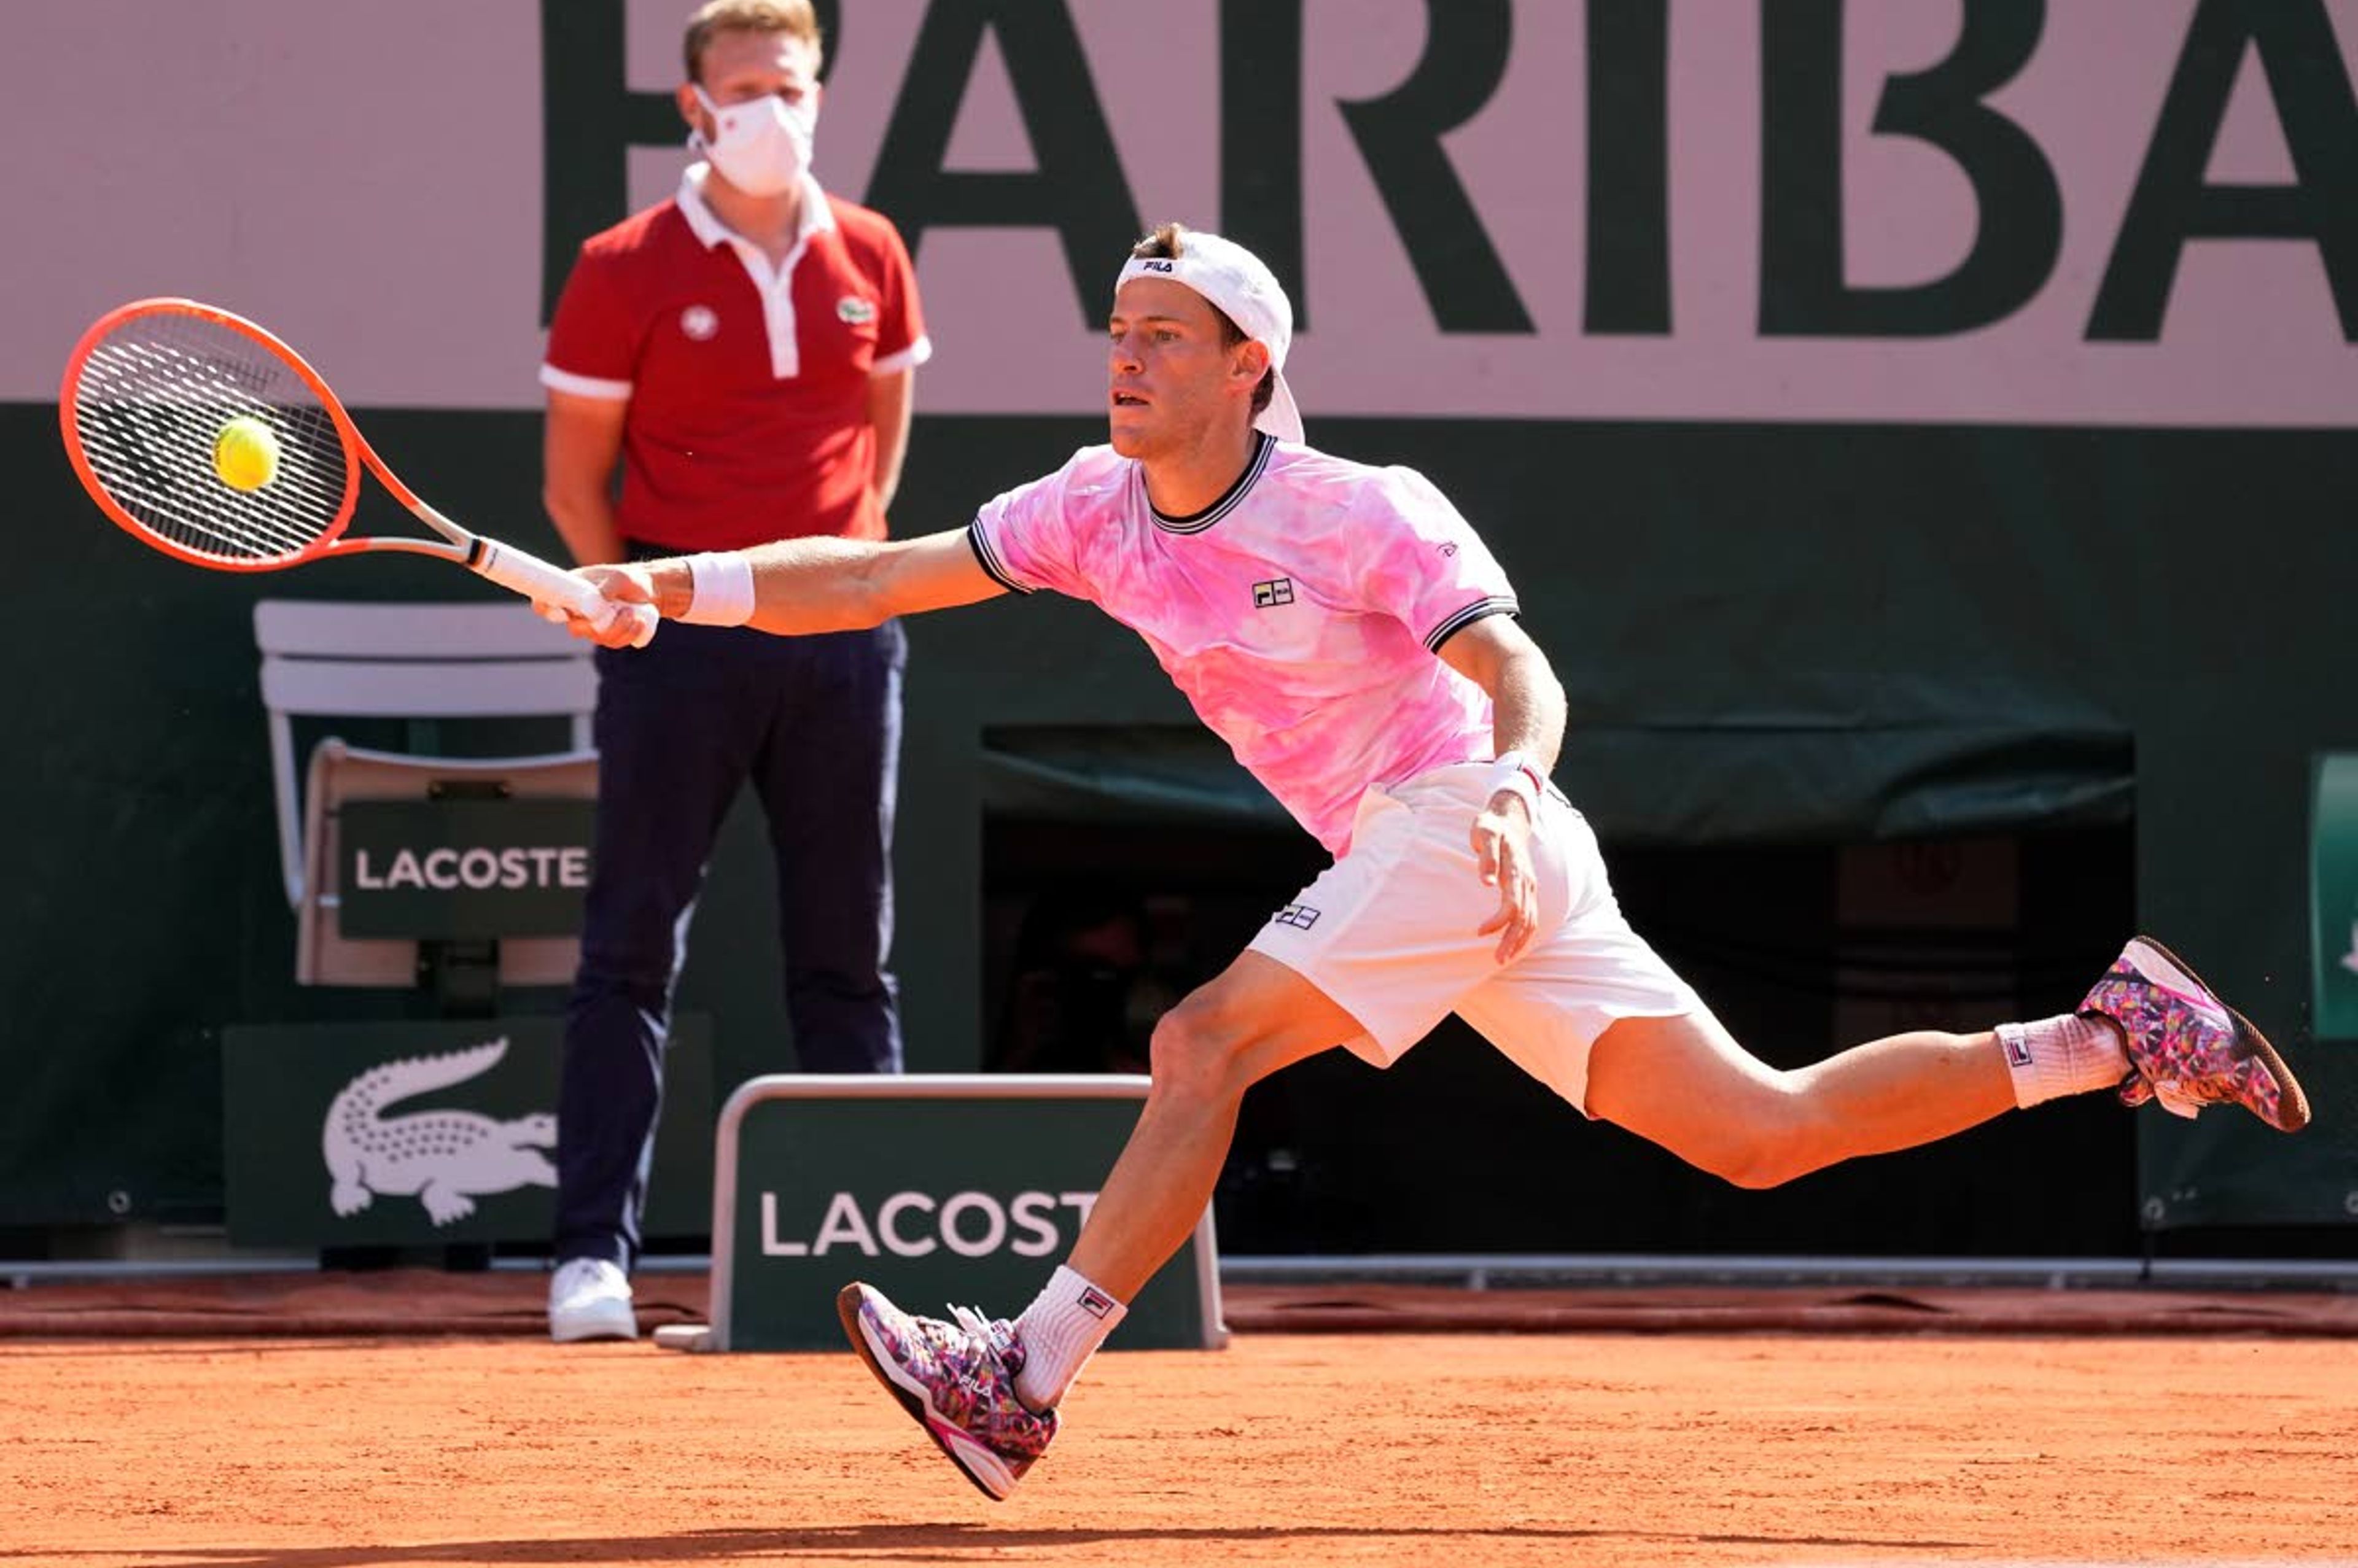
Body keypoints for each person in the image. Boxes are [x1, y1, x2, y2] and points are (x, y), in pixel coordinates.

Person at [552, 222, 2311, 1492]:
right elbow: (864, 577)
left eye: (1166, 334)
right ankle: (2108, 1038)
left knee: (1201, 1043)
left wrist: (1514, 784)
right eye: (1118, 329)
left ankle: (1020, 1377)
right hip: (1458, 866)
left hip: (1468, 829)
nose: (1127, 356)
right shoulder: (1089, 508)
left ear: (1253, 365)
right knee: (1760, 1134)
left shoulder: (1361, 509)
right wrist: (668, 584)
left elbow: (1514, 668)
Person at [537, 0, 928, 1343]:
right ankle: (592, 1253)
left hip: (839, 642)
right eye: (748, 84)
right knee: (630, 950)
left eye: (795, 83)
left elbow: (879, 451)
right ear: (695, 106)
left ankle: (877, 1254)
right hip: (677, 639)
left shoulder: (873, 249)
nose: (776, 107)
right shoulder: (621, 262)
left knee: (848, 958)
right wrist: (632, 603)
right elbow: (575, 478)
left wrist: (841, 584)